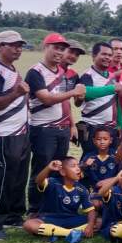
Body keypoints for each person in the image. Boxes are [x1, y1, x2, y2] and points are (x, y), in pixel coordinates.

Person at [25, 33, 86, 216]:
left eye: (62, 49)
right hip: (43, 129)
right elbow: (47, 99)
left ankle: (52, 206)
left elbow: (67, 102)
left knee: (59, 169)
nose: (60, 52)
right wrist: (74, 92)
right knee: (42, 169)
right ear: (46, 47)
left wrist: (72, 124)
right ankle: (35, 209)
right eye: (56, 48)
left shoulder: (62, 72)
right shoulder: (35, 72)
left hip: (62, 129)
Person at [0, 30, 31, 240]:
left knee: (18, 176)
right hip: (3, 133)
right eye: (13, 45)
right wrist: (17, 93)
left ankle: (13, 215)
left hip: (20, 131)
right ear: (0, 46)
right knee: (1, 179)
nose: (18, 49)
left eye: (20, 45)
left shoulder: (11, 68)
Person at [22, 158, 94, 243]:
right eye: (73, 166)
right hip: (50, 218)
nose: (78, 168)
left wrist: (90, 226)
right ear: (63, 172)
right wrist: (48, 168)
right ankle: (69, 233)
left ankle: (54, 232)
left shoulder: (82, 189)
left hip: (71, 219)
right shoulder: (52, 182)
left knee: (98, 222)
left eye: (78, 165)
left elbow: (91, 210)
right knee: (28, 224)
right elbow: (38, 181)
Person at [78, 42, 122, 156]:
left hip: (111, 128)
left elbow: (116, 102)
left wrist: (120, 125)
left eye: (110, 55)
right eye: (104, 54)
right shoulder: (87, 75)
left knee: (110, 160)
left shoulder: (111, 76)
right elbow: (85, 92)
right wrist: (111, 88)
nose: (107, 57)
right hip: (92, 128)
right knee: (90, 160)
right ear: (93, 56)